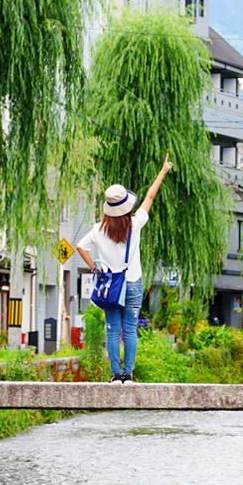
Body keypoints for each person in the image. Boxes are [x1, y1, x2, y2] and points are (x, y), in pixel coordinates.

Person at [75, 155, 173, 384]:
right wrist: (162, 172)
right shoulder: (135, 223)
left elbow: (80, 247)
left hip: (110, 285)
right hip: (132, 284)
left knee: (112, 330)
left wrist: (95, 269)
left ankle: (115, 375)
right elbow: (150, 196)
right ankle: (128, 374)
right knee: (129, 330)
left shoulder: (98, 229)